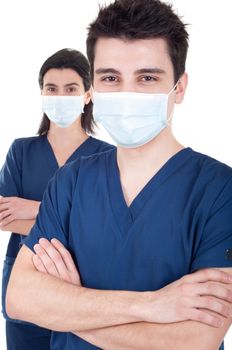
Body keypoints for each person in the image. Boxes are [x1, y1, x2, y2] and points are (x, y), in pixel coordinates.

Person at [6, 1, 232, 349]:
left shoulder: (219, 190)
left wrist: (68, 306)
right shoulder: (70, 182)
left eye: (147, 78)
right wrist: (152, 306)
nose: (127, 93)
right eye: (111, 78)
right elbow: (20, 297)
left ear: (180, 87)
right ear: (93, 89)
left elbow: (194, 340)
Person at [0, 48, 114, 350]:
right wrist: (73, 219)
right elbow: (4, 218)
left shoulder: (107, 156)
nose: (60, 96)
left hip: (83, 286)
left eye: (71, 89)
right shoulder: (21, 151)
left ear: (87, 95)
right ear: (42, 94)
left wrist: (32, 209)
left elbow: (105, 225)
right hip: (26, 286)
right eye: (52, 89)